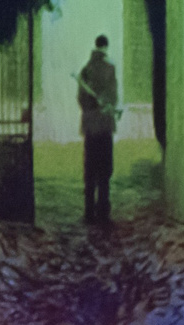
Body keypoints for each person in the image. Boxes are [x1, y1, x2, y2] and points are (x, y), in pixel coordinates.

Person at [78, 36, 120, 227]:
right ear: (106, 47)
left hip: (90, 128)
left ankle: (88, 211)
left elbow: (81, 100)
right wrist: (105, 106)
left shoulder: (85, 70)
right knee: (105, 170)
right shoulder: (110, 69)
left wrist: (92, 107)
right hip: (104, 126)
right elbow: (113, 98)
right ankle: (103, 210)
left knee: (90, 170)